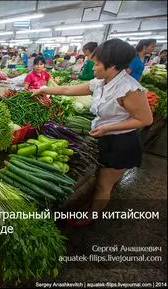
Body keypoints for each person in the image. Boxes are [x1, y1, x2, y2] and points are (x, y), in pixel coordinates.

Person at [32, 38, 153, 227]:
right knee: (103, 180)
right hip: (106, 137)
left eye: (96, 63)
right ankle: (94, 206)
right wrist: (44, 89)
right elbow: (67, 89)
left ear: (112, 65)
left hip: (122, 143)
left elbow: (146, 120)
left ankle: (90, 217)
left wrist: (107, 127)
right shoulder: (101, 82)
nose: (93, 67)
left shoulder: (129, 89)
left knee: (104, 185)